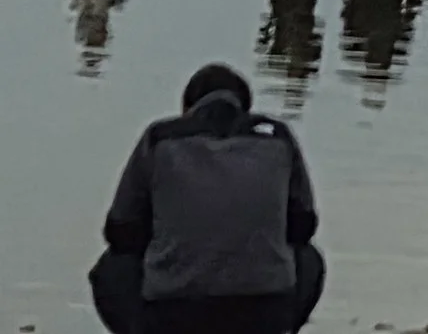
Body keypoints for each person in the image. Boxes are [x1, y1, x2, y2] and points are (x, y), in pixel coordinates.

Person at [90, 60, 323, 334]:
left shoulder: (158, 139)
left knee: (112, 267)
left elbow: (120, 229)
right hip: (264, 311)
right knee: (309, 259)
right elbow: (303, 225)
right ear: (244, 107)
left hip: (172, 312)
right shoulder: (279, 139)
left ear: (187, 108)